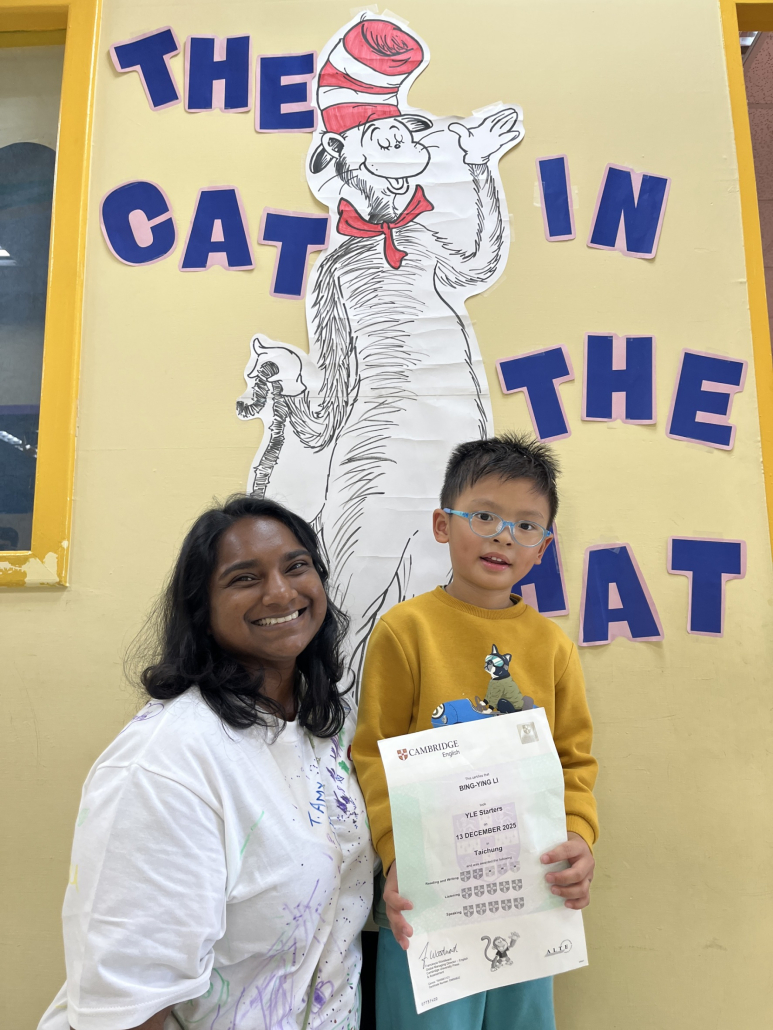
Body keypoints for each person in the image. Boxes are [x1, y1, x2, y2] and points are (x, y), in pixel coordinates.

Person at [38, 496, 374, 1030]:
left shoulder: (328, 728)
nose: (281, 592)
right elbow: (128, 1006)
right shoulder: (164, 764)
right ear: (203, 609)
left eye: (296, 566)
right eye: (245, 578)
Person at [351, 433, 598, 1030]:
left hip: (528, 893)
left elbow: (573, 762)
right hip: (428, 895)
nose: (503, 536)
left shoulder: (553, 647)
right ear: (443, 524)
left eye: (526, 525)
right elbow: (374, 757)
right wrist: (396, 856)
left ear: (543, 546)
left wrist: (579, 838)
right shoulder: (405, 631)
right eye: (483, 516)